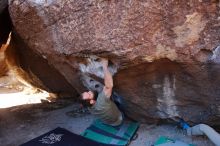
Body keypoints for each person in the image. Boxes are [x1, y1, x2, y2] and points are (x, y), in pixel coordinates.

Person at [81, 58, 123, 126]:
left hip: (108, 122)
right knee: (118, 100)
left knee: (108, 99)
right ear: (91, 101)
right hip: (118, 119)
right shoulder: (101, 101)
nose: (89, 91)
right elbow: (109, 86)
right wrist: (104, 66)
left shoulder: (89, 107)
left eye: (87, 92)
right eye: (89, 94)